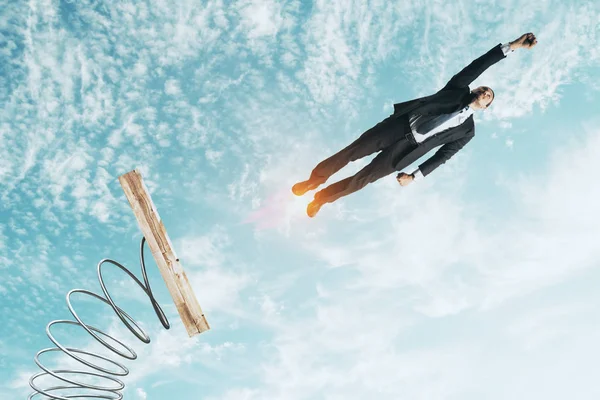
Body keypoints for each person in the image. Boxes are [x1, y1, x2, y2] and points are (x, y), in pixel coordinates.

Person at [292, 33, 538, 218]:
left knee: (362, 179)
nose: (485, 92)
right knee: (351, 153)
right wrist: (514, 46)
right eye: (483, 89)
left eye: (489, 96)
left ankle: (321, 199)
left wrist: (414, 176)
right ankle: (313, 181)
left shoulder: (467, 132)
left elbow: (443, 156)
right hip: (398, 127)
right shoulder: (456, 90)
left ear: (486, 107)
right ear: (473, 89)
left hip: (406, 151)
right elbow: (478, 65)